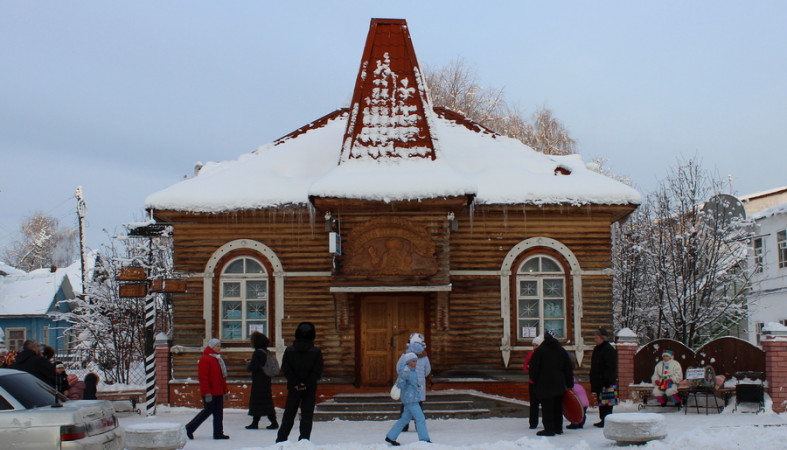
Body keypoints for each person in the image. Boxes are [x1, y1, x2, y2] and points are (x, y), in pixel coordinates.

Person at [276, 322, 324, 443]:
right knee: (307, 416)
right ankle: (304, 441)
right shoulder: (316, 351)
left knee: (289, 415)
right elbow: (317, 370)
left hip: (294, 388)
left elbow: (286, 368)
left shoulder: (289, 350)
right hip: (309, 388)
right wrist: (306, 383)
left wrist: (295, 383)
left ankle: (281, 440)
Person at [528, 330, 574, 436]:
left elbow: (533, 369)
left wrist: (535, 380)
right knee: (558, 407)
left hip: (544, 384)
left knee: (547, 407)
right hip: (559, 384)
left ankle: (549, 429)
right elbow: (568, 368)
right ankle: (558, 428)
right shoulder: (561, 351)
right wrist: (569, 384)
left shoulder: (540, 351)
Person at [185, 338, 230, 440]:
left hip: (218, 392)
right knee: (207, 411)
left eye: (219, 346)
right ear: (211, 347)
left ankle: (218, 433)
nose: (219, 348)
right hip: (210, 392)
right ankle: (189, 428)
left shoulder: (218, 359)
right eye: (217, 346)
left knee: (219, 414)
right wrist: (206, 393)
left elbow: (222, 378)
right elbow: (203, 378)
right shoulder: (205, 359)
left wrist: (225, 391)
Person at [385, 352, 431, 445]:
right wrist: (403, 379)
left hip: (412, 397)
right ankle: (424, 440)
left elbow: (412, 383)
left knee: (405, 419)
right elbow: (401, 384)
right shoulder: (406, 371)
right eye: (413, 361)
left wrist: (418, 387)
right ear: (408, 362)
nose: (415, 363)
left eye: (416, 361)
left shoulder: (412, 370)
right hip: (410, 399)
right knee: (420, 418)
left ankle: (391, 436)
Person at [394, 333, 431, 433]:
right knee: (418, 405)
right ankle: (419, 426)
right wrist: (421, 377)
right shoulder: (424, 357)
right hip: (419, 385)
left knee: (405, 405)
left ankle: (403, 426)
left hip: (407, 384)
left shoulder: (405, 356)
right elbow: (427, 370)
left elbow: (398, 368)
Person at [245, 331, 278, 430]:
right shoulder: (267, 352)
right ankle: (272, 421)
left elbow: (253, 367)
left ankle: (256, 423)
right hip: (266, 380)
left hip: (258, 381)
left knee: (257, 401)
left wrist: (248, 365)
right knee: (266, 401)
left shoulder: (257, 353)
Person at [589, 327, 618, 428]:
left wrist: (606, 379)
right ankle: (603, 419)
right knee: (601, 401)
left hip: (607, 381)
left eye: (597, 337)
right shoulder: (597, 349)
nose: (595, 339)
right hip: (599, 380)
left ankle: (608, 420)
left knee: (607, 402)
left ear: (602, 338)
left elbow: (610, 367)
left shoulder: (609, 349)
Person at [523, 334, 544, 429]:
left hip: (542, 382)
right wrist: (530, 369)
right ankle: (533, 423)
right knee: (534, 404)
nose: (534, 347)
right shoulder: (531, 354)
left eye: (536, 345)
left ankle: (545, 422)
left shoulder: (544, 354)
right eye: (533, 345)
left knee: (544, 403)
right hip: (532, 382)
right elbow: (525, 366)